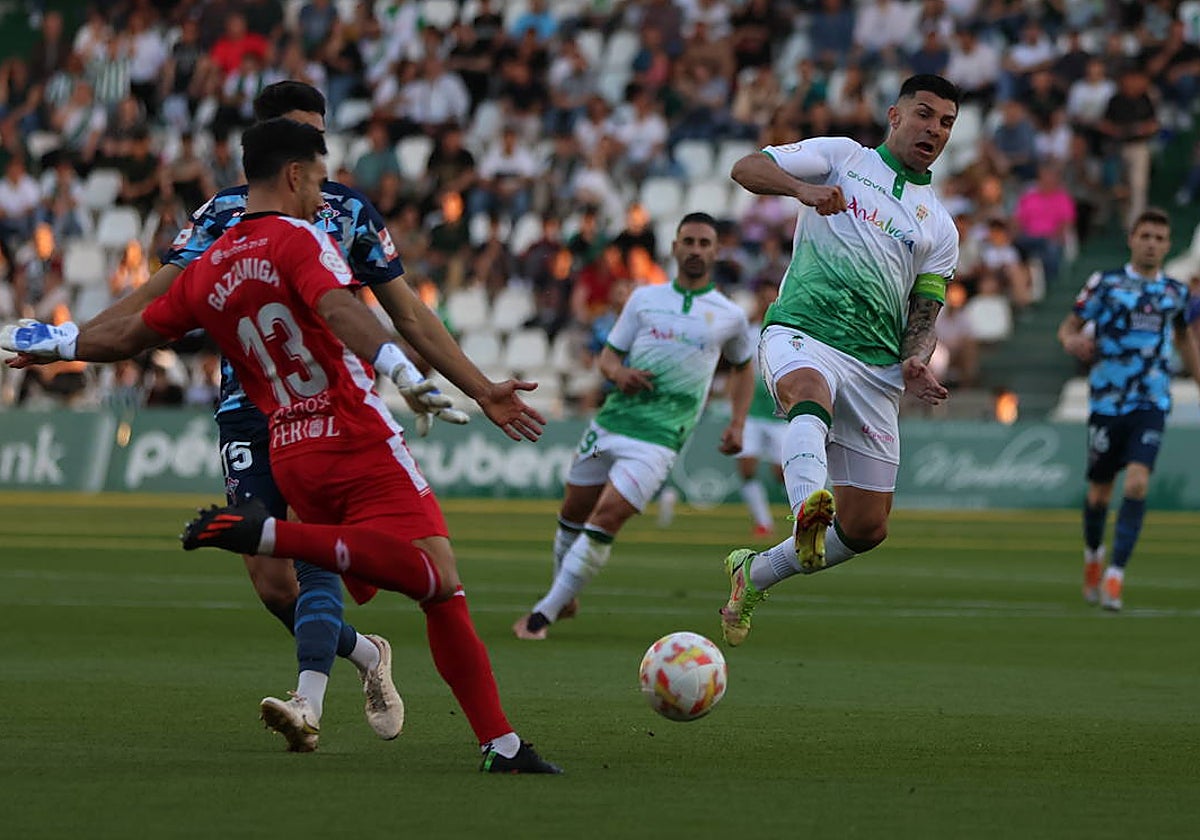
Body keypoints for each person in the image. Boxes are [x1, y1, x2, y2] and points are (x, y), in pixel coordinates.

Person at [2, 118, 560, 774]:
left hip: (291, 450)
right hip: (354, 431)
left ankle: (463, 727)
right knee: (439, 583)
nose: (324, 195)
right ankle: (497, 742)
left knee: (370, 577)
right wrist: (403, 372)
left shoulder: (210, 266)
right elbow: (342, 310)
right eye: (318, 180)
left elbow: (133, 334)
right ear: (293, 174)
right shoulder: (302, 239)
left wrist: (59, 343)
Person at [718, 74, 961, 647]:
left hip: (875, 368)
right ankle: (807, 507)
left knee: (867, 528)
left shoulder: (942, 227)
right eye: (924, 114)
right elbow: (746, 167)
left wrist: (917, 358)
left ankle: (755, 572)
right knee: (808, 388)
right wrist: (799, 190)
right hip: (804, 329)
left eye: (946, 122)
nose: (935, 129)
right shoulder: (841, 158)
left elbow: (925, 314)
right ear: (894, 115)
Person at [513, 212, 756, 640]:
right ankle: (563, 594)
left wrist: (737, 422)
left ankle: (541, 616)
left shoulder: (730, 316)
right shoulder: (644, 300)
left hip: (661, 437)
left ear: (716, 252)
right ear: (675, 248)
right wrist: (618, 374)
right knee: (573, 512)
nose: (696, 250)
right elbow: (609, 356)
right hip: (611, 421)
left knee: (606, 517)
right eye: (689, 242)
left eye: (704, 243)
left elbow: (742, 368)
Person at [1056, 208, 1200, 612]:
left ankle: (1115, 576)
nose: (1152, 243)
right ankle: (1093, 557)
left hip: (1152, 400)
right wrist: (1073, 343)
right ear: (1132, 239)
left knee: (1137, 484)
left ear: (1168, 245)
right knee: (1100, 493)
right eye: (1146, 236)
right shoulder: (1105, 284)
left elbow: (1185, 340)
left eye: (1159, 237)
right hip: (1106, 400)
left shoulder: (1176, 293)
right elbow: (1067, 328)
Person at [738, 280, 787, 538]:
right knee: (746, 467)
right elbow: (740, 369)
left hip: (780, 414)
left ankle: (814, 512)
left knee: (782, 473)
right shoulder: (748, 333)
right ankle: (763, 522)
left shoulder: (787, 332)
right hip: (752, 412)